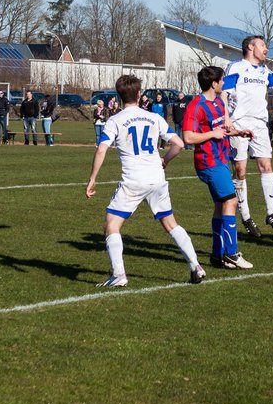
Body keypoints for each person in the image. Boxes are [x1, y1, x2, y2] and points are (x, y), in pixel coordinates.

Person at [85, 74, 205, 287]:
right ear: (139, 94)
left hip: (133, 180)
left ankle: (119, 274)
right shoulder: (154, 118)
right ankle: (195, 265)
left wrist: (93, 178)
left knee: (111, 225)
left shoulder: (115, 120)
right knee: (170, 224)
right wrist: (165, 160)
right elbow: (179, 143)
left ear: (119, 96)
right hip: (157, 179)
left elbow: (101, 149)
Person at [182, 65, 254, 270]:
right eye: (222, 80)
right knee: (231, 201)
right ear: (214, 84)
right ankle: (232, 253)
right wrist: (212, 134)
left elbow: (220, 130)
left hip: (220, 158)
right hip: (209, 161)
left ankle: (216, 255)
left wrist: (238, 133)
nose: (224, 83)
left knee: (220, 206)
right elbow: (187, 136)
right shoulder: (196, 106)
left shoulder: (217, 103)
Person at [221, 35, 273, 236]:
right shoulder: (235, 67)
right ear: (251, 47)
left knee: (266, 166)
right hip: (239, 123)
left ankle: (271, 212)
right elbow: (224, 93)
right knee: (240, 170)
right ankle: (246, 217)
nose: (266, 49)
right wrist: (226, 117)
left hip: (260, 124)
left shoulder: (264, 70)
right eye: (263, 45)